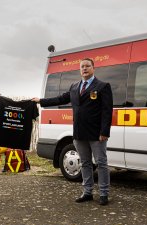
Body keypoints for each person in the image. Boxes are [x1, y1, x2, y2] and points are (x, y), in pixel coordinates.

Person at [32, 58, 113, 205]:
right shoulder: (74, 87)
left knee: (101, 163)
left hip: (96, 134)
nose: (84, 68)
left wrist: (105, 132)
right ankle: (87, 192)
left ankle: (103, 193)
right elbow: (60, 99)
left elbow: (107, 112)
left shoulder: (102, 86)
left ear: (93, 68)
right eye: (82, 66)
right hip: (79, 133)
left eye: (87, 66)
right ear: (79, 69)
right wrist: (41, 101)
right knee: (85, 163)